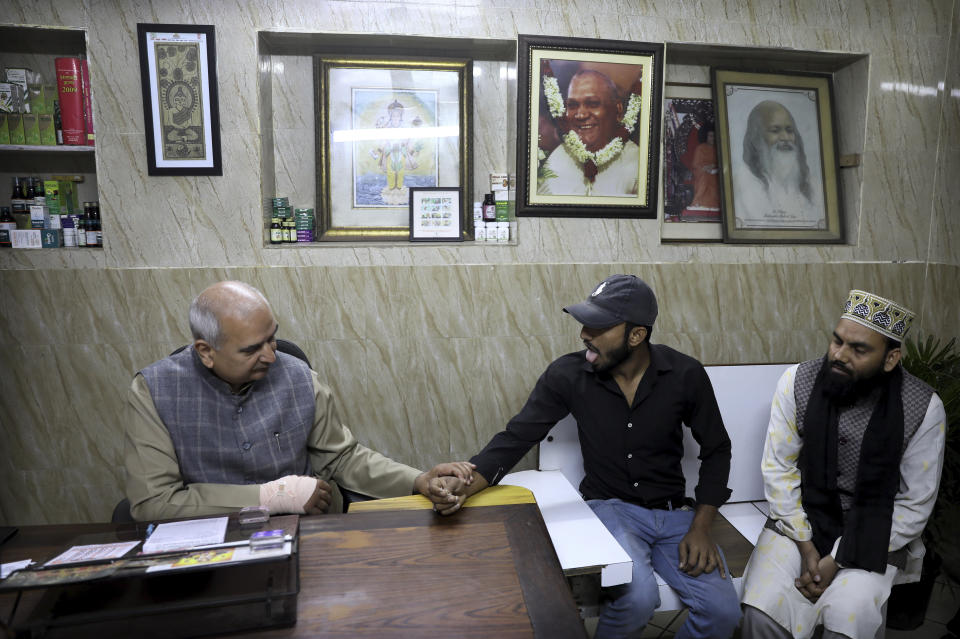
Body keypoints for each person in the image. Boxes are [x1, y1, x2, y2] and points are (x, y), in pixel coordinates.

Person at [442, 274, 742, 639]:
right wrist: (465, 485)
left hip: (676, 514)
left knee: (723, 613)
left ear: (636, 335)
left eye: (599, 326)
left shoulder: (684, 374)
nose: (585, 333)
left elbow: (717, 449)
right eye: (586, 323)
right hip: (610, 508)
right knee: (637, 600)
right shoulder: (568, 375)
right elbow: (516, 437)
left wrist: (700, 526)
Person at [124, 280, 472, 521]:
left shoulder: (299, 377)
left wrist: (417, 480)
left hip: (303, 533)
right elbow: (154, 502)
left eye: (271, 339)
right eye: (251, 349)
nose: (271, 357)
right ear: (206, 352)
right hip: (208, 544)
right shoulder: (154, 391)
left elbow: (343, 459)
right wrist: (271, 497)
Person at [740, 289, 946, 639]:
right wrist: (806, 545)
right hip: (799, 523)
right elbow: (779, 471)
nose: (839, 355)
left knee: (846, 623)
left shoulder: (923, 407)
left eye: (859, 349)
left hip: (876, 532)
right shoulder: (797, 382)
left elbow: (914, 504)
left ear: (891, 358)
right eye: (837, 342)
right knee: (761, 614)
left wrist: (836, 560)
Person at [538, 70, 639, 197]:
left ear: (618, 110)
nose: (581, 115)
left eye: (593, 104)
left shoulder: (636, 162)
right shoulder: (557, 160)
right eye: (573, 105)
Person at [733, 100, 824, 228]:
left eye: (789, 130)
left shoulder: (813, 185)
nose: (785, 137)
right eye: (775, 131)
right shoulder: (742, 183)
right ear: (756, 137)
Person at [688, 125, 720, 213]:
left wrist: (713, 166)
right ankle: (698, 202)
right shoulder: (700, 148)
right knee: (705, 176)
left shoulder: (718, 148)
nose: (712, 138)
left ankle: (714, 204)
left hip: (715, 172)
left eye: (714, 136)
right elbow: (695, 165)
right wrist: (705, 168)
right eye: (710, 136)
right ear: (706, 137)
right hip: (701, 173)